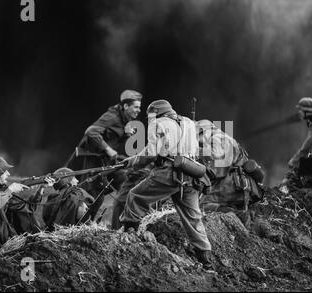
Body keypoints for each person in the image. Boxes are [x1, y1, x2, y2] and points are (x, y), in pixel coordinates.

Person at [120, 100, 213, 270]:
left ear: (156, 113)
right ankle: (206, 262)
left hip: (169, 173)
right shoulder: (189, 123)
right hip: (191, 175)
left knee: (135, 196)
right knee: (194, 219)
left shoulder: (158, 123)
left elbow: (151, 153)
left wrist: (132, 161)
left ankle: (128, 236)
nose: (149, 119)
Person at [69, 89, 143, 219]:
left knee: (123, 181)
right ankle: (82, 223)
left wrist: (125, 134)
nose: (139, 110)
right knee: (95, 194)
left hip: (106, 160)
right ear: (126, 106)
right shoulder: (112, 117)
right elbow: (91, 131)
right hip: (94, 159)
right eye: (136, 107)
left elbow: (111, 135)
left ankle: (125, 220)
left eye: (139, 107)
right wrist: (108, 149)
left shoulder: (123, 119)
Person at [196, 119, 264, 225]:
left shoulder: (218, 140)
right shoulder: (221, 138)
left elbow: (214, 172)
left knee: (200, 206)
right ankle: (243, 216)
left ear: (202, 132)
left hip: (235, 186)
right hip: (237, 187)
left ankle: (239, 216)